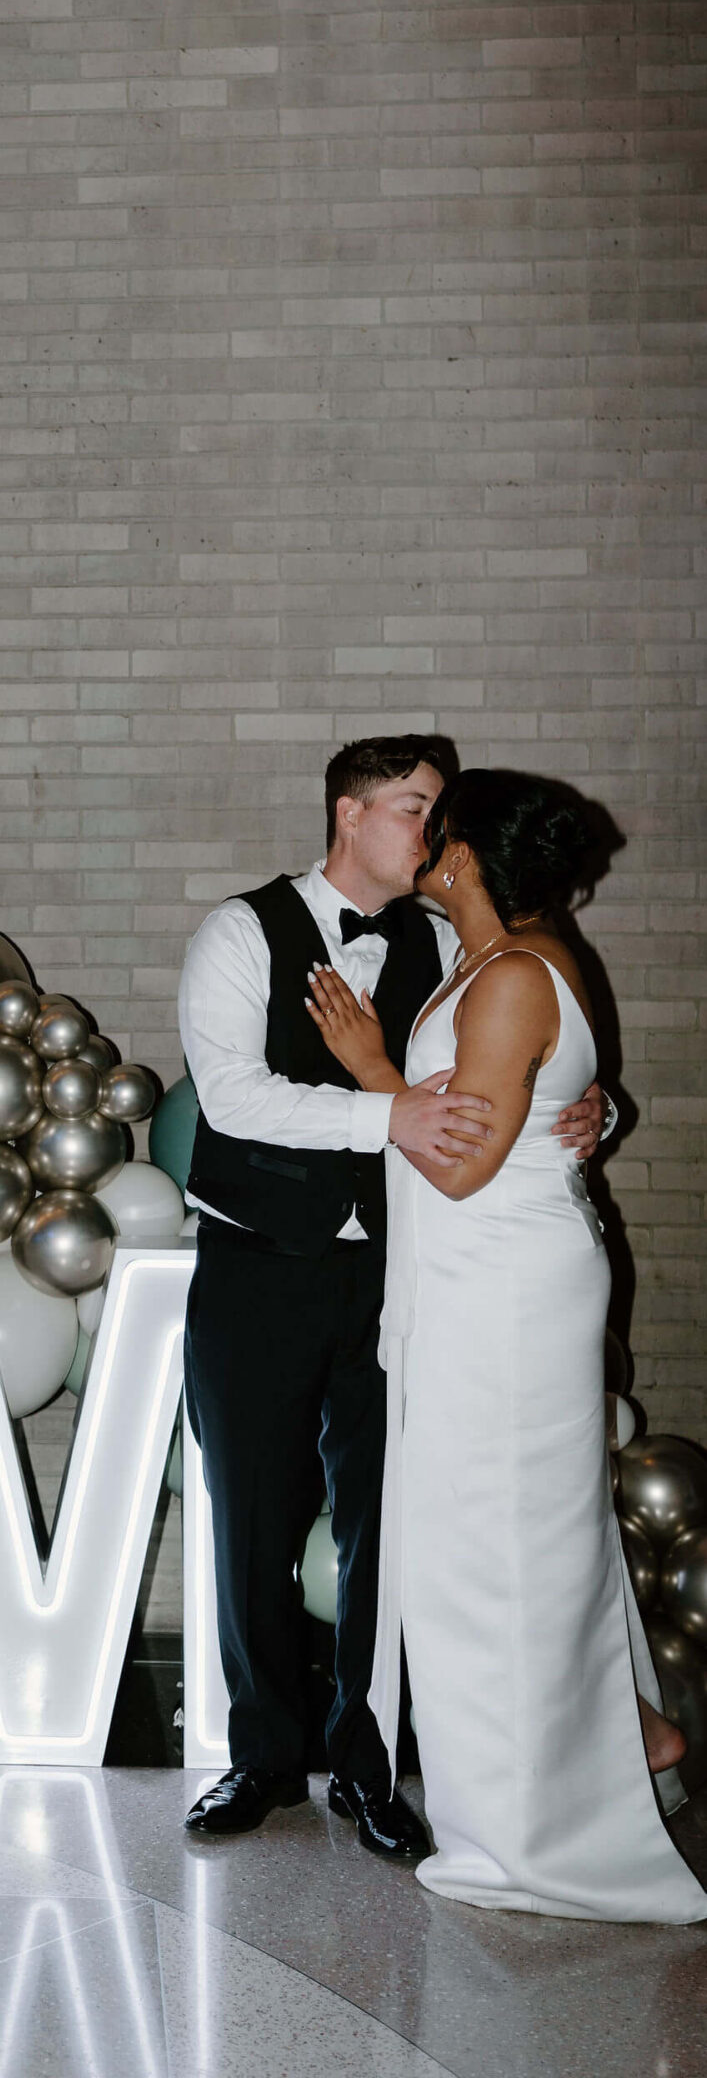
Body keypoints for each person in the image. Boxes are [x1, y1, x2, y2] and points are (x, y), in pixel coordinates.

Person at [177, 736, 611, 1857]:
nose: (434, 827)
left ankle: (368, 1768)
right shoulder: (239, 930)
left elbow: (516, 1059)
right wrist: (389, 1113)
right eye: (416, 805)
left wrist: (589, 1107)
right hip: (259, 1266)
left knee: (387, 1525)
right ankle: (261, 1755)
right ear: (350, 811)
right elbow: (232, 1098)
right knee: (251, 1515)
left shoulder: (449, 938)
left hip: (399, 1275)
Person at [305, 769, 706, 1920]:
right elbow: (536, 1096)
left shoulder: (518, 972)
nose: (420, 845)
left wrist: (371, 1067)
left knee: (498, 1546)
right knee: (513, 1532)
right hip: (477, 1282)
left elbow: (463, 1163)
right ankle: (631, 1728)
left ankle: (539, 1831)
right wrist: (592, 1104)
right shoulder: (491, 963)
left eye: (435, 830)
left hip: (507, 1290)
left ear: (465, 856)